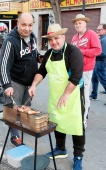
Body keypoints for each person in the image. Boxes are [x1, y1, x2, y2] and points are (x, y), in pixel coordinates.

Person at [28, 24, 85, 170]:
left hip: (73, 96)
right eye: (51, 39)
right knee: (56, 121)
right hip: (55, 95)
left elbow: (76, 77)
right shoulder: (49, 54)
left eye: (57, 38)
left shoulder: (73, 52)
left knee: (76, 126)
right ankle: (61, 149)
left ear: (63, 37)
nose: (54, 42)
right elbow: (41, 72)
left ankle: (78, 156)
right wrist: (34, 85)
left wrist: (66, 94)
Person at [0, 12, 42, 147]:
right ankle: (15, 136)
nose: (27, 28)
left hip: (29, 82)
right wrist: (7, 85)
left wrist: (39, 57)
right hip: (15, 82)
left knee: (25, 109)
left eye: (30, 25)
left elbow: (32, 53)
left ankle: (22, 128)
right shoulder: (10, 41)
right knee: (14, 111)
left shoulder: (32, 36)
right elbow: (3, 65)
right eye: (24, 25)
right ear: (18, 24)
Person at [71, 14, 101, 128]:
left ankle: (83, 120)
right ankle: (76, 116)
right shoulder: (74, 37)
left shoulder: (92, 34)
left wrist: (81, 52)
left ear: (85, 24)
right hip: (75, 69)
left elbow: (98, 50)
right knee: (75, 95)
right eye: (76, 23)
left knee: (84, 95)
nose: (78, 25)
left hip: (86, 70)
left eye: (80, 23)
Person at [90, 24, 106, 100]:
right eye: (97, 30)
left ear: (105, 30)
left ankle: (94, 95)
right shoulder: (101, 38)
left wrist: (92, 54)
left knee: (103, 79)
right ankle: (93, 95)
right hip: (98, 62)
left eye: (99, 30)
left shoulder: (104, 40)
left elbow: (103, 53)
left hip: (100, 62)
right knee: (94, 78)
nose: (97, 31)